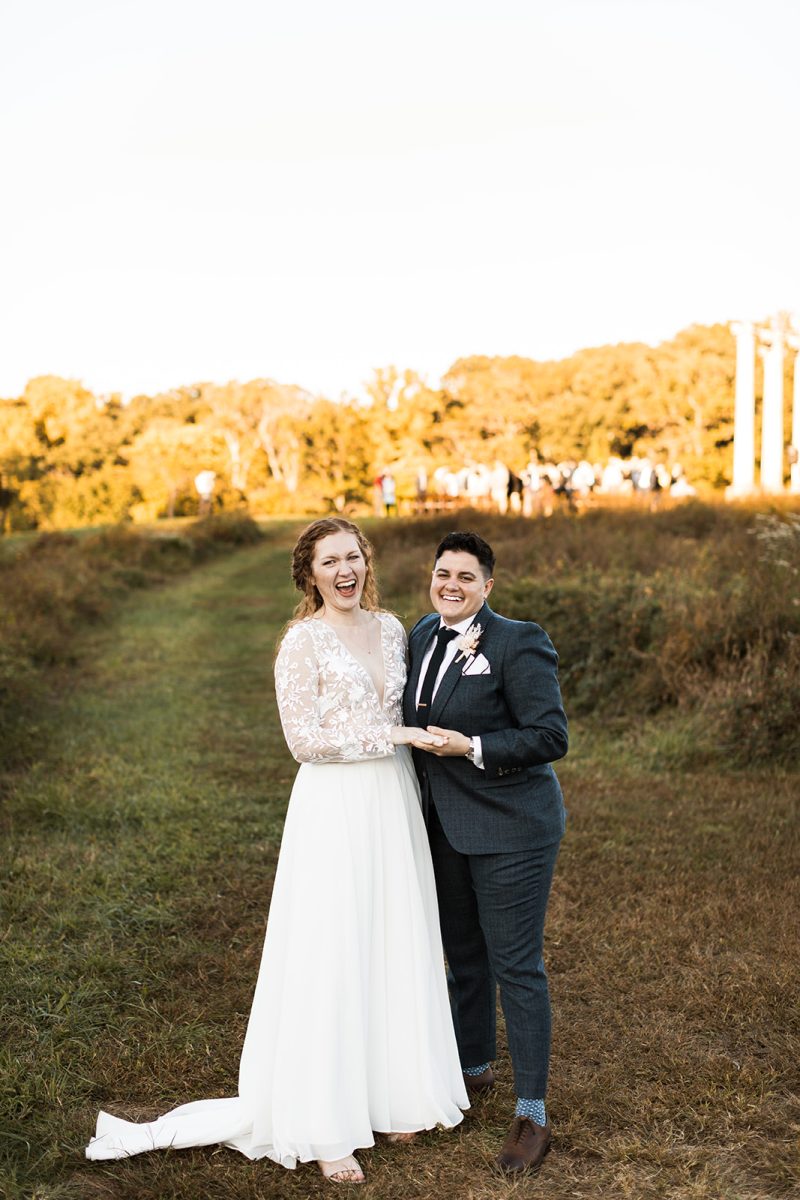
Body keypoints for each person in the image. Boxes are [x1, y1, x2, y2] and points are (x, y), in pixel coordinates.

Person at [86, 517, 468, 1184]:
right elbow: (303, 742)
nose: (345, 571)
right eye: (330, 562)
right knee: (333, 947)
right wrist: (396, 736)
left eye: (353, 557)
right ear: (310, 575)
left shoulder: (391, 630)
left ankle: (393, 1094)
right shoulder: (302, 642)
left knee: (391, 937)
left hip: (392, 802)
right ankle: (324, 1124)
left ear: (367, 561)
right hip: (334, 807)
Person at [402, 530, 568, 1174]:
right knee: (464, 959)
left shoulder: (517, 641)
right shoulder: (422, 633)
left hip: (513, 827)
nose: (452, 586)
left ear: (487, 586)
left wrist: (470, 746)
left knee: (516, 965)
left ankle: (532, 1113)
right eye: (443, 574)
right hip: (444, 826)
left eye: (466, 577)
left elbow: (549, 735)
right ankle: (472, 1069)